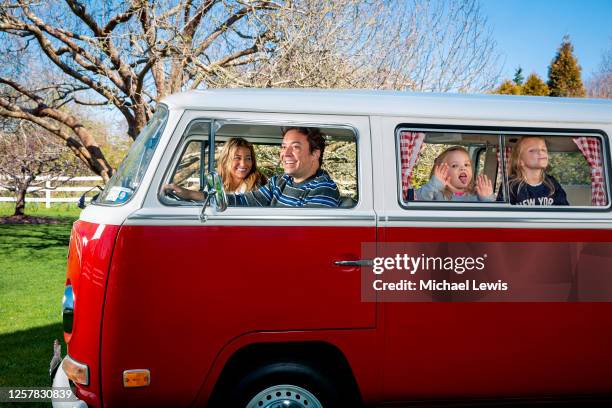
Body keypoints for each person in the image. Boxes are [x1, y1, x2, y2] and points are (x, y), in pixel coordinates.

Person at [226, 127, 340, 207]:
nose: (286, 153)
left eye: (295, 147)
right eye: (284, 147)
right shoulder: (280, 181)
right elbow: (245, 202)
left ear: (315, 153)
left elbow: (304, 235)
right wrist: (211, 198)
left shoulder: (323, 189)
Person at [163, 137, 266, 200]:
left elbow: (238, 202)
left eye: (248, 158)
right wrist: (184, 193)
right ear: (225, 160)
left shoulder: (257, 184)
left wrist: (190, 194)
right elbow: (209, 200)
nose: (243, 164)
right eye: (237, 158)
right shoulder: (216, 181)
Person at [502, 136, 569, 206]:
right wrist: (489, 199)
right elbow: (501, 212)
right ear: (520, 161)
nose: (540, 152)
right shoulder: (510, 185)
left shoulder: (552, 183)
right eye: (532, 150)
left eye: (543, 149)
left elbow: (565, 211)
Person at [415, 146, 494, 201]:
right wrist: (434, 185)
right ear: (442, 172)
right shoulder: (436, 194)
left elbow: (493, 219)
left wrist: (487, 198)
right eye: (455, 165)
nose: (463, 168)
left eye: (466, 165)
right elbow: (418, 198)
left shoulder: (477, 196)